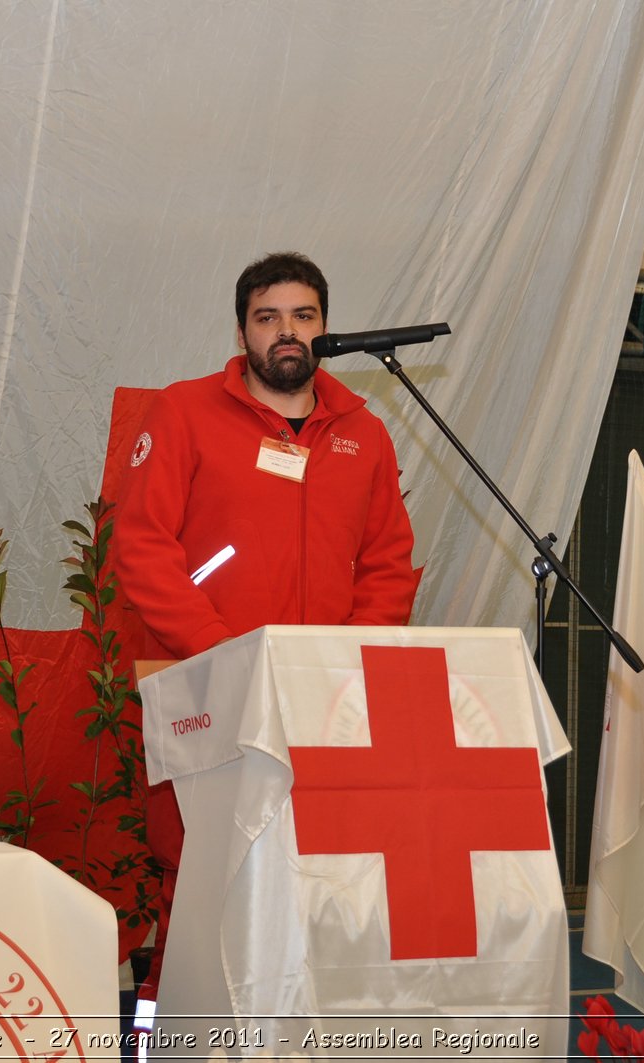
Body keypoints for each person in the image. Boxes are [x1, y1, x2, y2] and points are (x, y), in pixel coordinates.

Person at [114, 250, 420, 996]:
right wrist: (226, 654)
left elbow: (388, 561)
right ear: (243, 329)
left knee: (310, 881)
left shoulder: (363, 433)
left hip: (320, 700)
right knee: (198, 883)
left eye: (303, 316)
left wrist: (344, 662)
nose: (287, 331)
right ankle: (173, 1038)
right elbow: (142, 546)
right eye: (268, 317)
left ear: (325, 327)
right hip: (210, 688)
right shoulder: (183, 412)